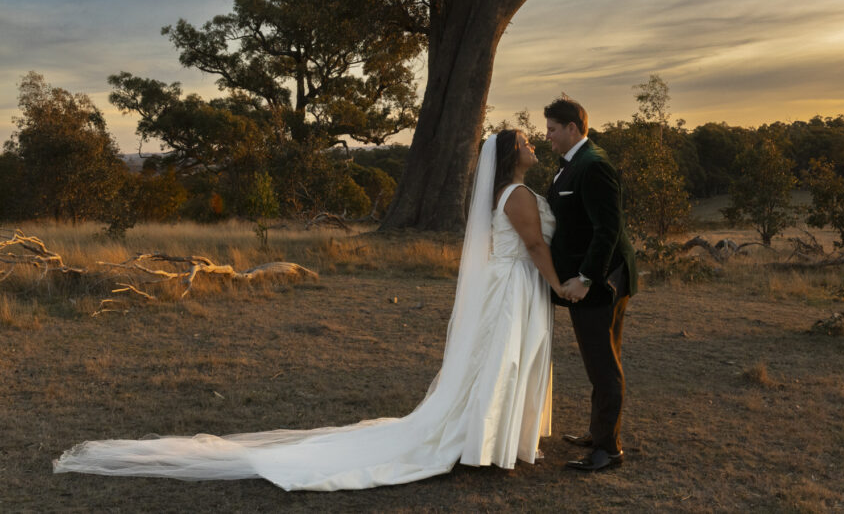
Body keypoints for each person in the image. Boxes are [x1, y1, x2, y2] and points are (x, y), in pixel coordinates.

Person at [53, 130, 564, 491]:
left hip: (510, 286)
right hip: (515, 285)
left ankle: (489, 437)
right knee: (501, 361)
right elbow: (536, 249)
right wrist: (565, 285)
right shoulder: (516, 194)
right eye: (524, 141)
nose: (532, 144)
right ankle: (481, 442)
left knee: (497, 363)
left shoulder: (510, 190)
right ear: (509, 154)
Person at [544, 97, 637, 472]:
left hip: (602, 283)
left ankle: (608, 450)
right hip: (590, 280)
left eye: (552, 129)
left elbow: (608, 230)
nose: (547, 136)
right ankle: (598, 433)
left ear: (572, 128)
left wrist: (585, 278)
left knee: (604, 364)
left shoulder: (595, 165)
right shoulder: (572, 164)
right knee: (597, 361)